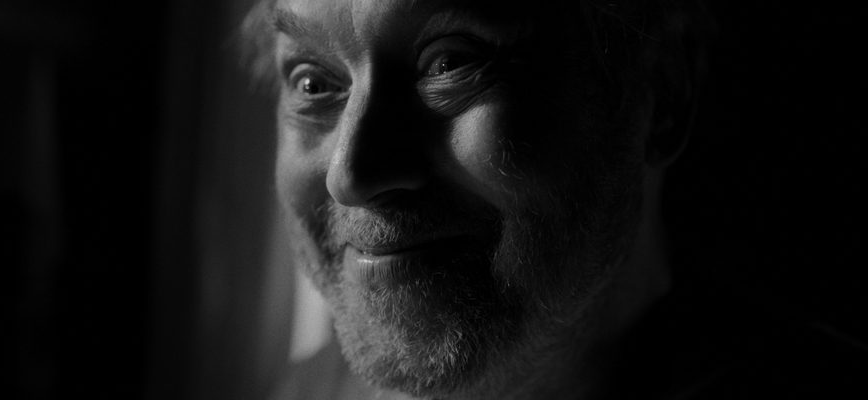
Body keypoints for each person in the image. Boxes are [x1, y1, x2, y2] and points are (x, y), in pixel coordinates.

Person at [241, 0, 866, 399]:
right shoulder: (304, 389)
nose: (351, 173)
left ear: (661, 93)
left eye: (451, 61)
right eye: (313, 83)